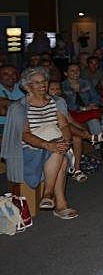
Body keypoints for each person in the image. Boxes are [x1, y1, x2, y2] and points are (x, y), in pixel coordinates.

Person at [0, 67, 78, 219]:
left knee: (59, 151)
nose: (42, 85)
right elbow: (24, 135)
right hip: (29, 149)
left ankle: (48, 195)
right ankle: (57, 201)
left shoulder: (57, 102)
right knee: (59, 153)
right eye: (36, 83)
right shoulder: (20, 107)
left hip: (54, 145)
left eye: (44, 81)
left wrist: (66, 141)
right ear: (27, 86)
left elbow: (64, 126)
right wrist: (48, 145)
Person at [48, 80, 91, 183]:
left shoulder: (61, 101)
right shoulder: (46, 101)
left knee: (77, 138)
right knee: (69, 128)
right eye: (52, 89)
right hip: (51, 130)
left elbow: (70, 119)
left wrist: (82, 129)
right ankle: (90, 138)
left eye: (58, 89)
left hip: (63, 128)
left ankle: (77, 170)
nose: (55, 91)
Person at [61, 63, 103, 143]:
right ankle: (100, 132)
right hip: (73, 113)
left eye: (77, 70)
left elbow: (96, 97)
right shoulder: (63, 86)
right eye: (72, 71)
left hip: (88, 111)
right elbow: (65, 104)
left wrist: (93, 104)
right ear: (66, 73)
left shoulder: (86, 83)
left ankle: (98, 144)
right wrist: (83, 108)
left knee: (94, 120)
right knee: (93, 117)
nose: (75, 73)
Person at [0, 65, 25, 136]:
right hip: (3, 125)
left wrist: (7, 104)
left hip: (23, 124)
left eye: (13, 73)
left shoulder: (22, 86)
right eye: (5, 74)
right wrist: (22, 105)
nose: (10, 76)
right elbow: (2, 111)